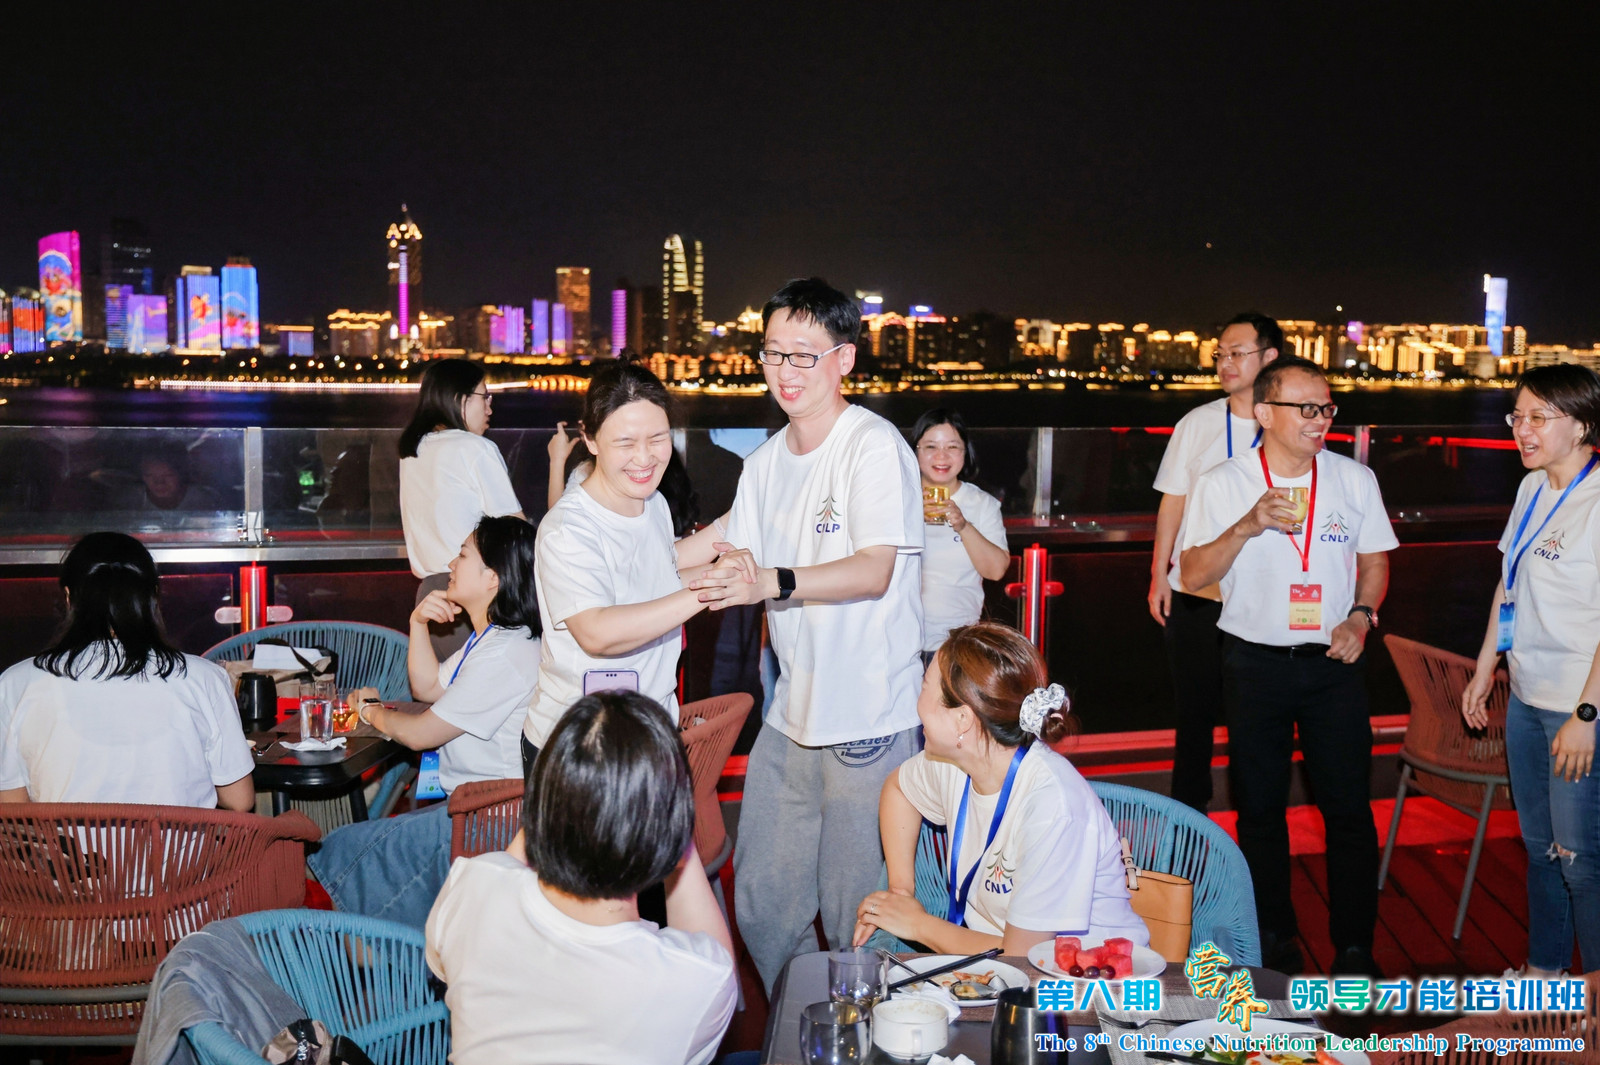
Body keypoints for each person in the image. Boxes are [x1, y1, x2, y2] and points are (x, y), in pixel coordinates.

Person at [690, 277, 925, 991]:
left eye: (804, 354)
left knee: (857, 911)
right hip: (790, 715)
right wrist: (615, 559)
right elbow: (717, 541)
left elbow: (874, 569)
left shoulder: (872, 446)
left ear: (844, 359)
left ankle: (865, 1025)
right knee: (763, 902)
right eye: (773, 353)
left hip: (868, 721)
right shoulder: (765, 464)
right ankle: (806, 1020)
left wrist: (773, 581)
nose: (785, 371)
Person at [1180, 355, 1396, 977]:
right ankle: (1274, 934)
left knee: (1348, 809)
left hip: (1335, 665)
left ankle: (1355, 947)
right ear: (1264, 413)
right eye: (1305, 408)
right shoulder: (1224, 482)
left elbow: (1375, 562)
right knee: (1260, 809)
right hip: (1253, 663)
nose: (1319, 419)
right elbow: (1191, 575)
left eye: (1326, 407)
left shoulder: (1354, 478)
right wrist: (1248, 524)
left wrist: (1361, 617)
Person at [425, 691, 737, 1065]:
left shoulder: (471, 884)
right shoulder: (697, 980)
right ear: (668, 826)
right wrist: (669, 812)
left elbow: (446, 963)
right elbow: (716, 955)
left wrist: (556, 792)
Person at [851, 622, 1148, 955]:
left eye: (924, 687)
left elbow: (1024, 958)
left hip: (1084, 972)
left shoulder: (1052, 805)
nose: (916, 704)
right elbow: (899, 789)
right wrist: (901, 892)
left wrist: (918, 924)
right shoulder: (959, 761)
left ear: (962, 719)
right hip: (993, 963)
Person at [307, 515, 541, 929]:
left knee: (337, 852)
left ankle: (384, 953)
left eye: (463, 555)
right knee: (347, 848)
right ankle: (382, 951)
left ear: (493, 577)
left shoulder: (507, 652)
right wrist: (417, 623)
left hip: (490, 821)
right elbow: (429, 688)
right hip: (469, 809)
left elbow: (420, 735)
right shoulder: (492, 639)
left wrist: (370, 712)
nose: (450, 564)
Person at [524, 361, 733, 772]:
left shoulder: (651, 503)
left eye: (658, 438)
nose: (644, 458)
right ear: (590, 438)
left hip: (650, 730)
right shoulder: (567, 529)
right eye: (625, 443)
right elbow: (598, 633)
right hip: (582, 748)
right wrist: (709, 589)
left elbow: (660, 574)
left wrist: (730, 551)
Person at [1462, 364, 1600, 978]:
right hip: (1526, 696)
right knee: (1541, 850)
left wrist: (1586, 715)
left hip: (1579, 705)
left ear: (1583, 426)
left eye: (1539, 418)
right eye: (1517, 416)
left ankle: (1594, 996)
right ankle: (1546, 975)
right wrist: (1484, 667)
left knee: (1580, 858)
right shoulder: (1532, 487)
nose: (1522, 429)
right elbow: (1509, 583)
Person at [0, 532, 254, 808]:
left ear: (69, 597)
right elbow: (240, 801)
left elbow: (12, 807)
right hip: (176, 839)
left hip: (65, 839)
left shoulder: (15, 684)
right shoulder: (204, 678)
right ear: (153, 597)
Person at [1149, 313, 1281, 814]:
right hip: (1198, 591)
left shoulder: (1288, 425)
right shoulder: (1198, 423)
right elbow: (1172, 503)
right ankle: (1189, 826)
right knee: (1194, 720)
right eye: (1220, 354)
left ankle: (1256, 826)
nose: (1226, 362)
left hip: (1264, 594)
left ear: (1269, 357)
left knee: (1256, 719)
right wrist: (1158, 575)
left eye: (1237, 353)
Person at [399, 359, 524, 658]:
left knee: (444, 684)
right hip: (473, 596)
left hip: (429, 595)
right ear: (461, 399)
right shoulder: (475, 448)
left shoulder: (414, 451)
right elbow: (514, 530)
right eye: (485, 397)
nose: (490, 408)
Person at [912, 409, 1009, 660]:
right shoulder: (896, 498)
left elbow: (995, 570)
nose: (941, 456)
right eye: (931, 446)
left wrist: (963, 525)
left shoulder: (982, 504)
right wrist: (908, 515)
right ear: (915, 451)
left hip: (955, 641)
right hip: (899, 639)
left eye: (952, 447)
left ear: (966, 452)